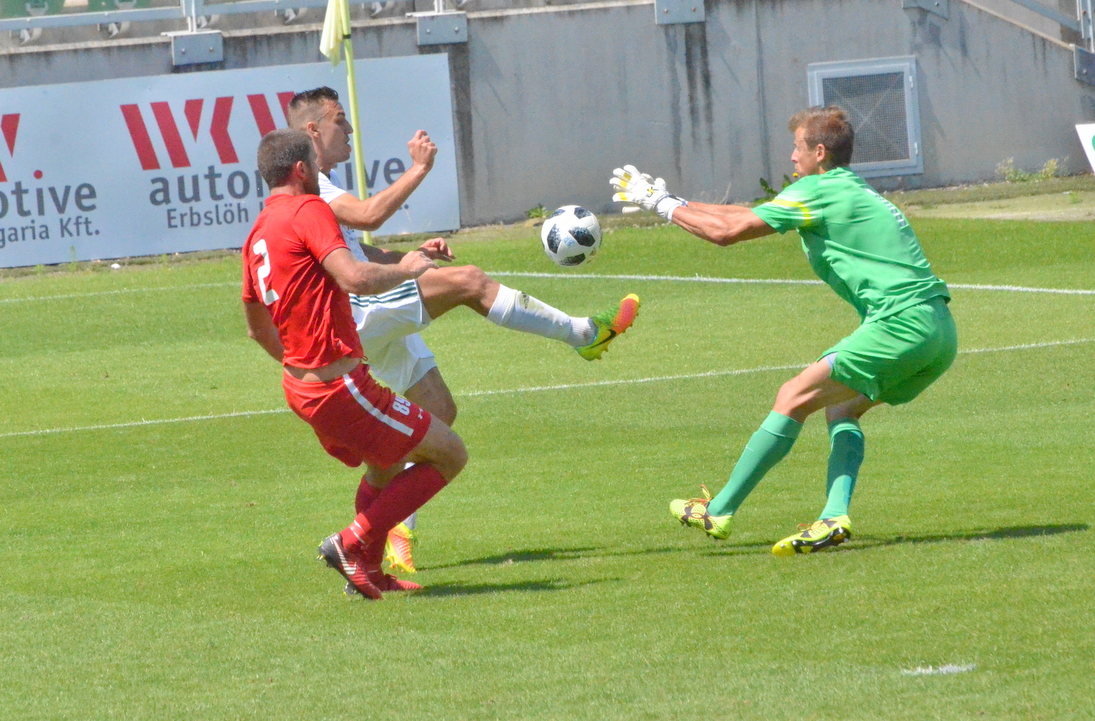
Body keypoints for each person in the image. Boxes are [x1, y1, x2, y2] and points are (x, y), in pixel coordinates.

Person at [286, 86, 640, 573]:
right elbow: (369, 215)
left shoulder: (324, 187)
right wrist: (419, 169)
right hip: (359, 312)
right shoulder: (315, 189)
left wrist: (416, 256)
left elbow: (367, 256)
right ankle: (585, 334)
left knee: (437, 413)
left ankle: (384, 535)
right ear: (312, 130)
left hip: (367, 315)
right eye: (340, 121)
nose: (348, 131)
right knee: (472, 283)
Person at [612, 106, 957, 555]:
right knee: (841, 411)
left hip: (899, 325)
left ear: (818, 152)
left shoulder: (820, 190)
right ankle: (833, 517)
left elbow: (728, 232)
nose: (791, 158)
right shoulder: (847, 188)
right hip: (939, 332)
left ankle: (719, 510)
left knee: (792, 396)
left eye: (797, 148)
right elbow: (745, 212)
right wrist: (673, 200)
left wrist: (660, 207)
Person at [242, 128, 465, 599]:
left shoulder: (258, 233)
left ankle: (368, 570)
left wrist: (301, 364)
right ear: (302, 170)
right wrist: (409, 268)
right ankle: (349, 542)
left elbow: (256, 327)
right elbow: (356, 278)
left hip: (302, 388)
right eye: (317, 167)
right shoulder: (310, 209)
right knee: (449, 454)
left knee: (385, 468)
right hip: (338, 386)